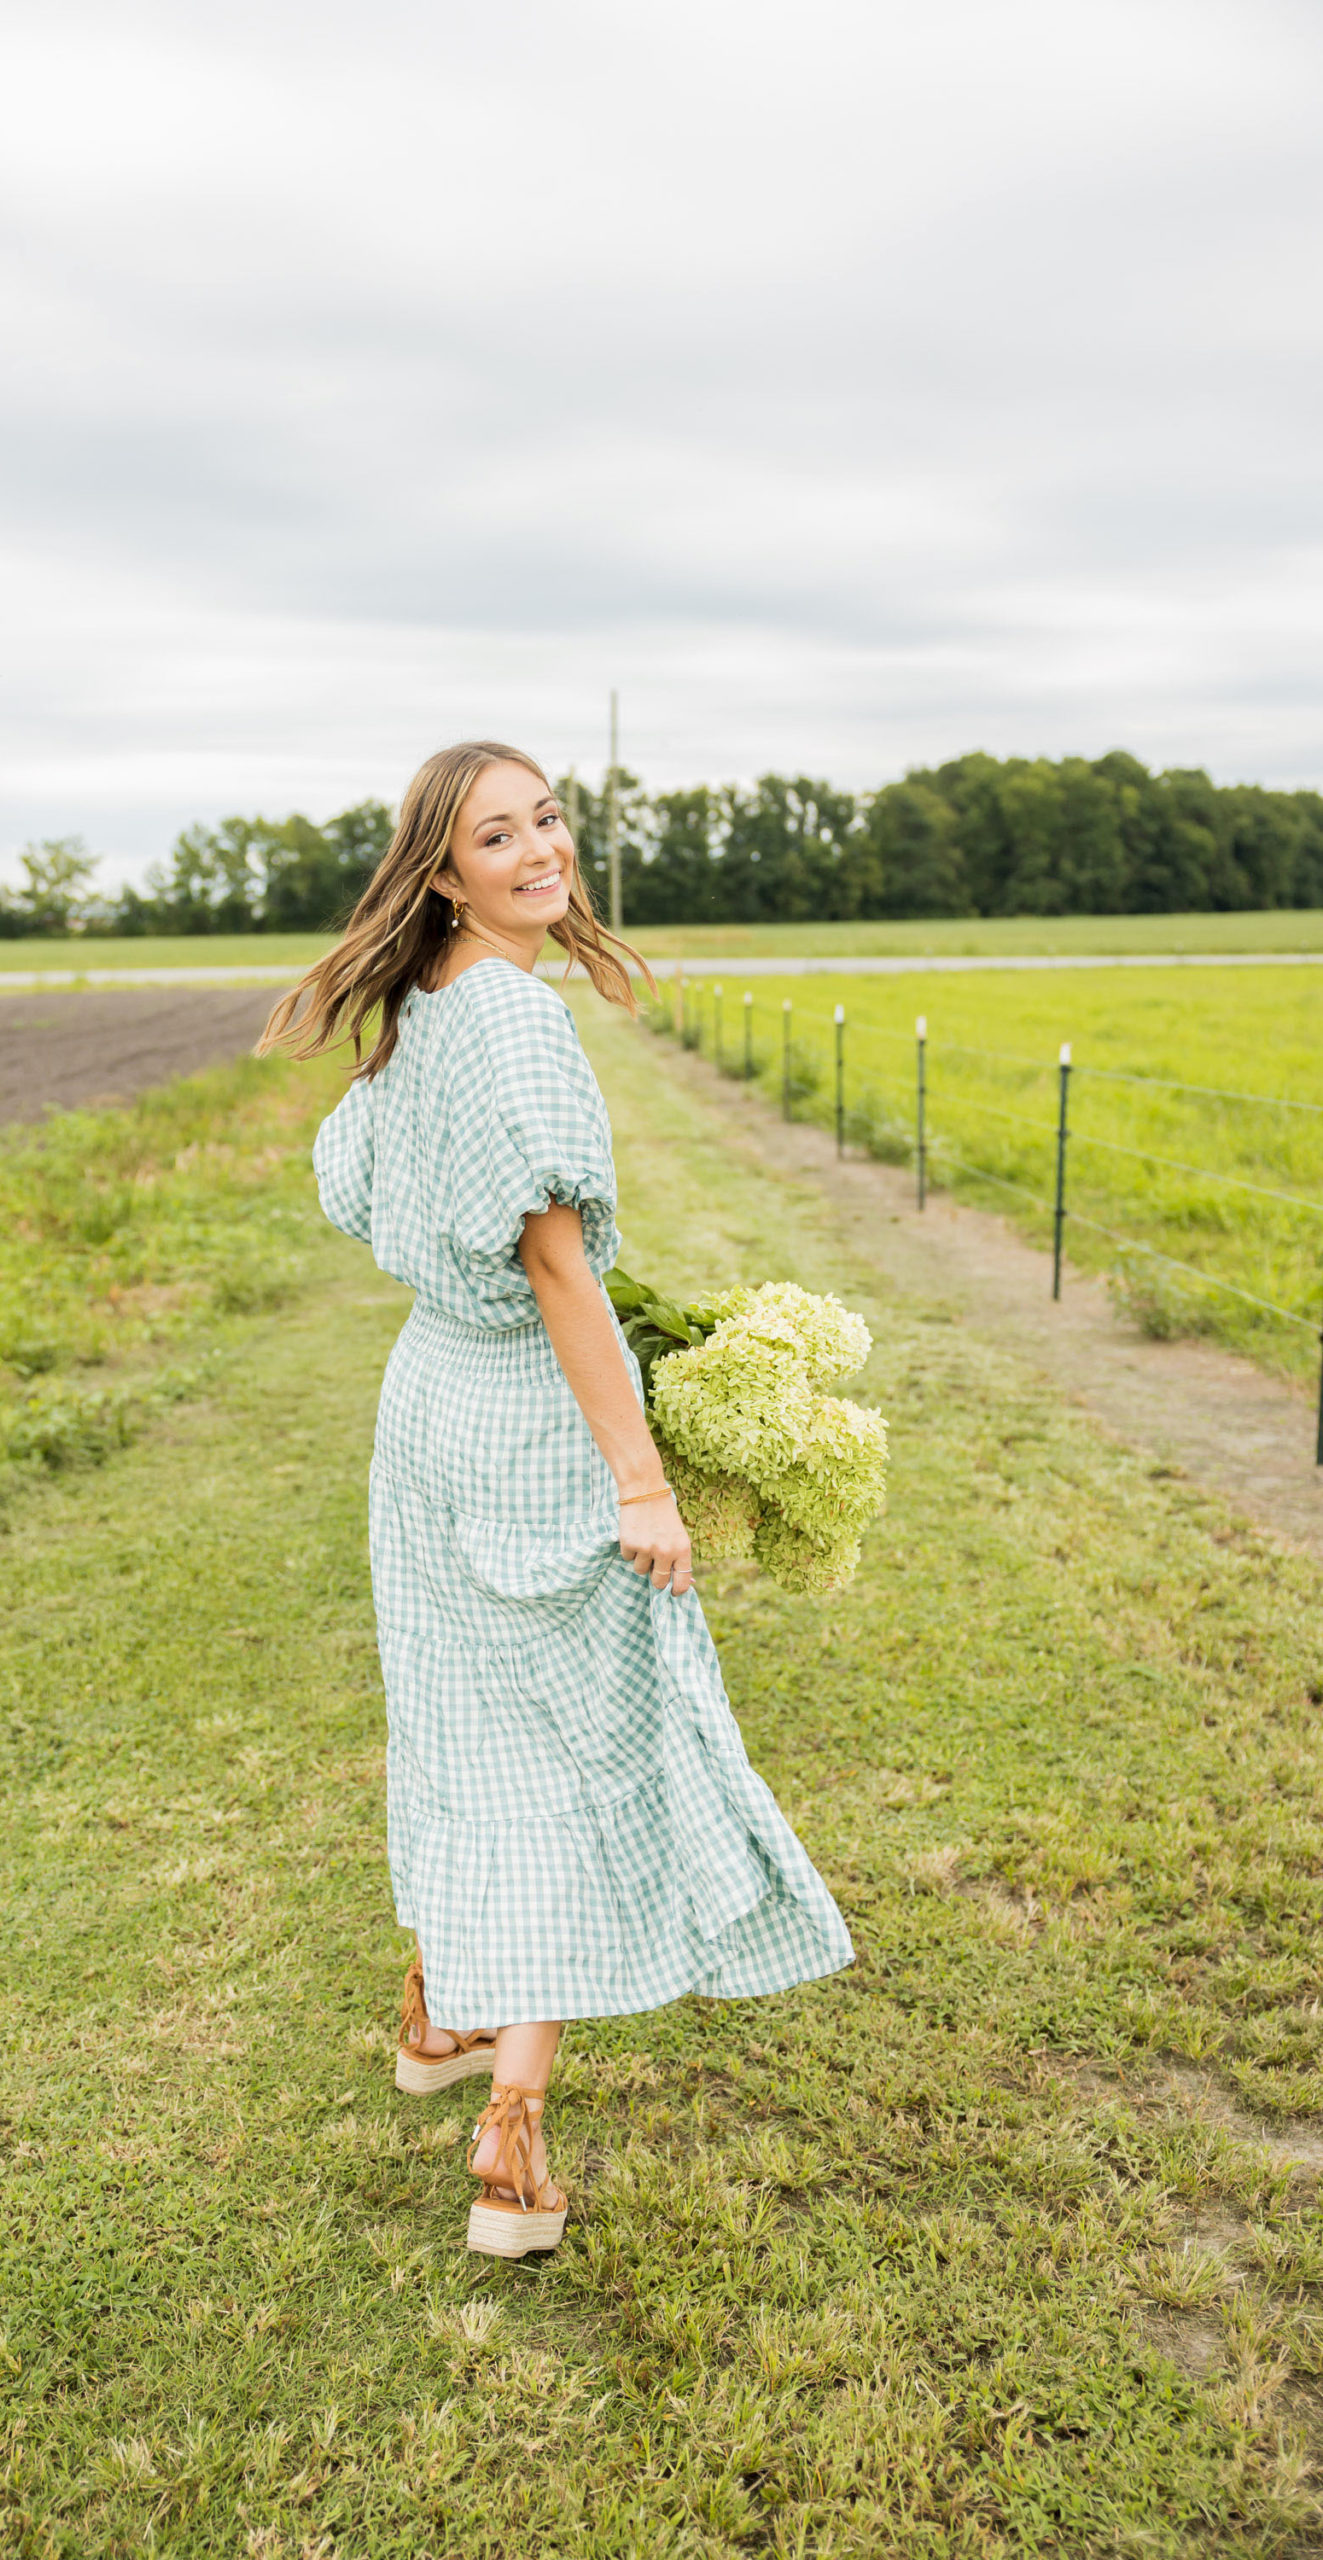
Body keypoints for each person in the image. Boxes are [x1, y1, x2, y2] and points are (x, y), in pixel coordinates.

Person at [260, 741, 852, 2258]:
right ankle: (511, 2142)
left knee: (467, 1724)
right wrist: (641, 1479)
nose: (540, 851)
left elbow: (355, 1185)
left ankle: (440, 2010)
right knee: (575, 1758)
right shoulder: (512, 1025)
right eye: (496, 835)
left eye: (546, 819)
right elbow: (552, 1265)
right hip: (522, 1422)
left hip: (428, 1409)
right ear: (442, 872)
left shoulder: (422, 1006)